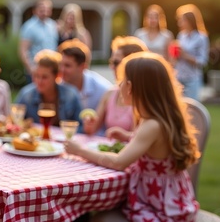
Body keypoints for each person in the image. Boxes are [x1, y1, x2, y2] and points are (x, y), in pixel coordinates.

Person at [65, 52, 200, 221]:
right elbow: (154, 146)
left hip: (159, 207)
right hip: (167, 198)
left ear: (129, 86)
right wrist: (128, 136)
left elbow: (118, 162)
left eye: (121, 80)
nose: (119, 85)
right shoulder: (156, 119)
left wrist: (80, 151)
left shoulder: (152, 125)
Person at [84, 36, 147, 136]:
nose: (111, 66)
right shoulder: (110, 93)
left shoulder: (145, 98)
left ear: (132, 65)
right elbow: (91, 130)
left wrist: (125, 136)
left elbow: (142, 139)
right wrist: (89, 123)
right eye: (111, 62)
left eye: (116, 62)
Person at [15, 49, 82, 126]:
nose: (39, 81)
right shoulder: (26, 95)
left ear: (57, 76)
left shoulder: (71, 95)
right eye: (36, 76)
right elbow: (16, 123)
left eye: (44, 77)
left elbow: (81, 126)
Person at [58, 39, 111, 110]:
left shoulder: (102, 89)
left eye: (67, 66)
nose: (62, 69)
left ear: (82, 67)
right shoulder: (58, 85)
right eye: (61, 65)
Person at [174, 4, 209, 101]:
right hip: (179, 77)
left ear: (189, 21)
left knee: (193, 108)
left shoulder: (201, 37)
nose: (179, 23)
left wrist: (185, 55)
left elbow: (202, 62)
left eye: (182, 20)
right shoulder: (181, 35)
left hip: (193, 78)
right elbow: (178, 57)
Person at [19, 0, 58, 83]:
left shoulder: (53, 25)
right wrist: (31, 69)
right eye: (41, 9)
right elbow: (23, 50)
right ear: (35, 10)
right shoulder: (29, 27)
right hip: (36, 69)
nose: (44, 12)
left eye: (47, 9)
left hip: (51, 69)